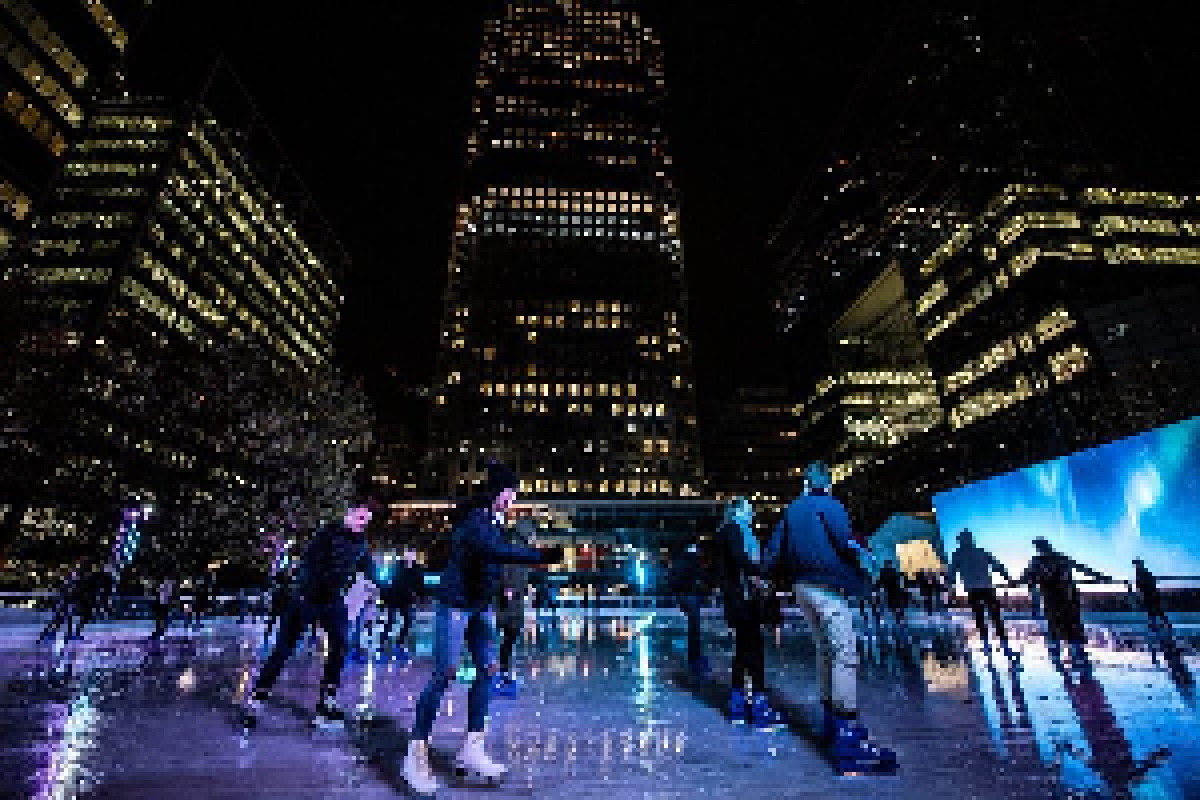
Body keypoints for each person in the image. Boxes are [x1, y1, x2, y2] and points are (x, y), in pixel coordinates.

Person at [403, 461, 562, 796]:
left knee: (489, 671)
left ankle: (471, 747)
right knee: (445, 673)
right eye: (510, 492)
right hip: (456, 604)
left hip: (480, 606)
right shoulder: (474, 520)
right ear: (498, 492)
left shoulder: (494, 520)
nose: (513, 499)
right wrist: (539, 555)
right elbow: (493, 551)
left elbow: (493, 560)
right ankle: (415, 752)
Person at [765, 461, 897, 775]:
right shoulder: (830, 505)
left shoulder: (791, 510)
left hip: (801, 588)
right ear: (827, 483)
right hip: (827, 586)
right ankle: (848, 738)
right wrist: (865, 558)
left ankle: (830, 723)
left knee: (825, 651)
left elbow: (773, 552)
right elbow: (843, 541)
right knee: (844, 654)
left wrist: (762, 575)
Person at [242, 494, 383, 730]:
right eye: (359, 518)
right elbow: (311, 564)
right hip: (306, 598)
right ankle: (257, 699)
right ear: (348, 514)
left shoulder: (360, 543)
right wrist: (321, 585)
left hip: (332, 601)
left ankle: (326, 701)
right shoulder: (326, 534)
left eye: (366, 521)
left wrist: (377, 584)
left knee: (340, 646)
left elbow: (369, 567)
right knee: (283, 650)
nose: (362, 524)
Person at [717, 497, 783, 728]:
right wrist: (760, 572)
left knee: (744, 651)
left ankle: (738, 704)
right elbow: (739, 560)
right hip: (743, 601)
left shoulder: (733, 531)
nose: (751, 512)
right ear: (737, 511)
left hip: (741, 600)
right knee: (753, 652)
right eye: (748, 509)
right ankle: (758, 705)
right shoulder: (734, 530)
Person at [1015, 537, 1111, 671]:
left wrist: (1099, 576)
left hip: (1065, 597)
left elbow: (1081, 568)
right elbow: (1026, 578)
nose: (1041, 550)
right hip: (1057, 598)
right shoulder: (1041, 561)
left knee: (1067, 624)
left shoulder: (1049, 560)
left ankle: (1074, 653)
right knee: (1061, 624)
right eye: (1039, 547)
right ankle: (1071, 654)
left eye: (1040, 547)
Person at [946, 529, 1015, 656]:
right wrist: (1007, 576)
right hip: (986, 588)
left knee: (980, 616)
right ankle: (1002, 643)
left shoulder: (958, 554)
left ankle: (987, 643)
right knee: (995, 615)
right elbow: (997, 565)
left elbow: (951, 573)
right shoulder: (980, 552)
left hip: (973, 589)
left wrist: (950, 588)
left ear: (961, 541)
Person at [494, 518, 537, 696]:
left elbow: (522, 572)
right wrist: (506, 588)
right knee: (502, 635)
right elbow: (504, 568)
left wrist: (526, 588)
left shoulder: (523, 549)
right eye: (533, 534)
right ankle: (495, 673)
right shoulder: (513, 545)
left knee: (510, 636)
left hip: (516, 600)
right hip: (506, 600)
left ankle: (502, 671)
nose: (535, 538)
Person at [668, 536, 710, 679]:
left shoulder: (682, 559)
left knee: (694, 627)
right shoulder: (692, 560)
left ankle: (695, 657)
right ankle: (695, 658)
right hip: (689, 595)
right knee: (694, 628)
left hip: (684, 595)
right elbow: (698, 576)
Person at [378, 548, 424, 661]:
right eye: (408, 553)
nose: (410, 556)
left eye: (412, 554)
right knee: (390, 621)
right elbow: (389, 581)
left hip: (406, 599)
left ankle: (400, 641)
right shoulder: (397, 566)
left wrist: (421, 596)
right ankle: (383, 641)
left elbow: (419, 584)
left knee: (408, 621)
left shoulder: (416, 568)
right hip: (394, 597)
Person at [1133, 559, 1171, 635]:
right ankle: (1158, 624)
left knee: (1156, 610)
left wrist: (1141, 589)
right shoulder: (1141, 573)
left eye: (1137, 564)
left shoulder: (1143, 572)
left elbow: (1143, 584)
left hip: (1151, 594)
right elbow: (1141, 584)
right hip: (1149, 594)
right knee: (1153, 610)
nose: (1136, 566)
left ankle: (1162, 624)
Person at [876, 560, 909, 629]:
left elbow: (880, 582)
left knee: (896, 606)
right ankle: (900, 620)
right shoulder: (889, 572)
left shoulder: (886, 572)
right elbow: (880, 582)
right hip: (893, 592)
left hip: (893, 592)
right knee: (896, 606)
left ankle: (900, 620)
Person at [150, 577, 176, 642]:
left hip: (163, 604)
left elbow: (168, 596)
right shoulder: (166, 585)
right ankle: (159, 633)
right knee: (161, 620)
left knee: (161, 620)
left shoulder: (166, 586)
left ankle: (160, 633)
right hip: (162, 604)